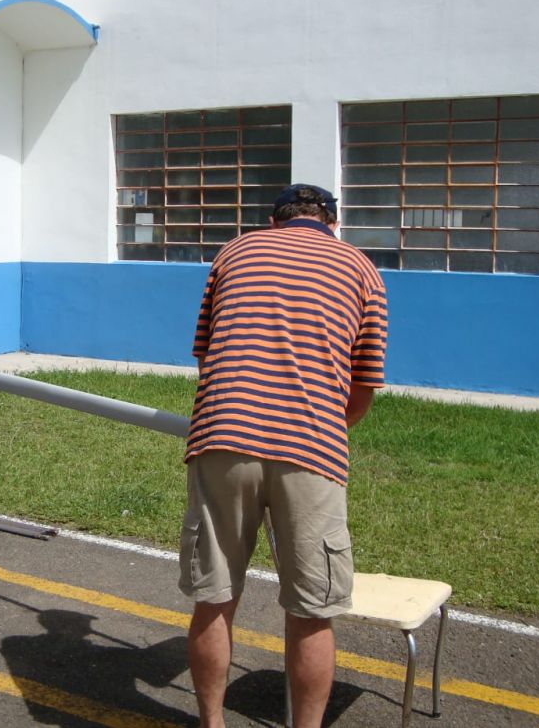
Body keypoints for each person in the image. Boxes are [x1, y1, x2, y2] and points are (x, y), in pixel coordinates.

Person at [179, 184, 388, 727]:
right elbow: (362, 388)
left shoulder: (234, 251)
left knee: (215, 597)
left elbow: (207, 354)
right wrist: (317, 425)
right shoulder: (361, 268)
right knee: (312, 612)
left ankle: (211, 724)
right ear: (333, 224)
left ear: (274, 222)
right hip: (312, 450)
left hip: (222, 436)